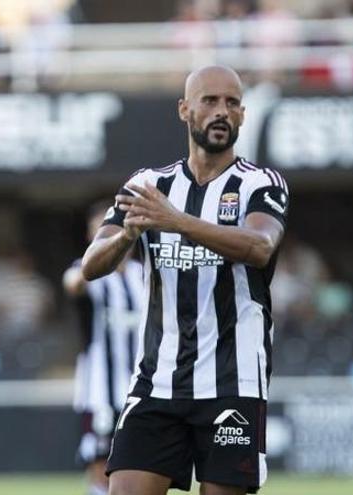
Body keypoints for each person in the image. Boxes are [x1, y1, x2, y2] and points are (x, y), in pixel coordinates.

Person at [82, 65, 289, 495]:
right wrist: (128, 234)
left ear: (243, 115)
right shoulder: (148, 185)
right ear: (184, 110)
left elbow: (259, 246)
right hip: (158, 380)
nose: (221, 112)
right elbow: (92, 265)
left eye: (232, 103)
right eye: (210, 101)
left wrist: (176, 221)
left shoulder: (260, 184)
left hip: (233, 382)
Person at [64, 201, 145, 495]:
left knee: (139, 466)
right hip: (100, 389)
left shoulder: (143, 275)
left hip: (141, 388)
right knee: (99, 463)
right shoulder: (88, 273)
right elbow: (73, 284)